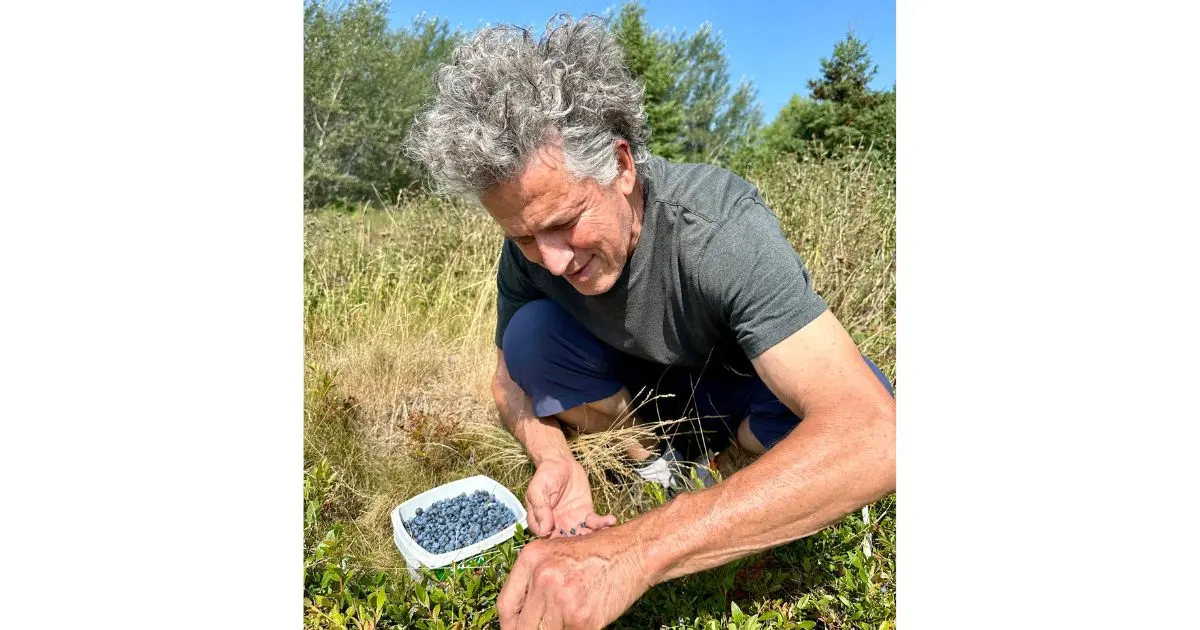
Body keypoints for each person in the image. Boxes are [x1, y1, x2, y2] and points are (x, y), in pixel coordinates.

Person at [405, 14, 896, 630]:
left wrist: (633, 552)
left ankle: (726, 460)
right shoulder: (528, 254)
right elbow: (507, 379)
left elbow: (876, 436)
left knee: (854, 395)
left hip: (737, 390)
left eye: (564, 223)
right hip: (642, 395)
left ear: (622, 166)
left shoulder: (717, 230)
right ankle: (652, 461)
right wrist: (553, 456)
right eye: (524, 237)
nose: (552, 260)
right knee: (528, 337)